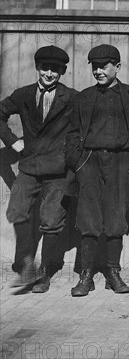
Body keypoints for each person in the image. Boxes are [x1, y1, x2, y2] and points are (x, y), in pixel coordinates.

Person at [66, 44, 129, 297]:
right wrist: (77, 163)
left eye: (104, 66)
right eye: (94, 67)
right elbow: (72, 134)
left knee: (115, 219)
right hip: (89, 162)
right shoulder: (83, 98)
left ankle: (113, 272)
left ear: (117, 67)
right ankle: (86, 275)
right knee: (88, 219)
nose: (98, 71)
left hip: (120, 162)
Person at [0, 45, 77, 292]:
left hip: (57, 171)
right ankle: (25, 265)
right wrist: (13, 141)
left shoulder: (73, 98)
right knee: (18, 212)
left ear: (62, 71)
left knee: (52, 221)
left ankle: (44, 272)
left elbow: (83, 130)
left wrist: (69, 156)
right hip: (29, 167)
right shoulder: (23, 95)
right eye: (45, 68)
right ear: (37, 68)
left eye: (55, 70)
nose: (49, 74)